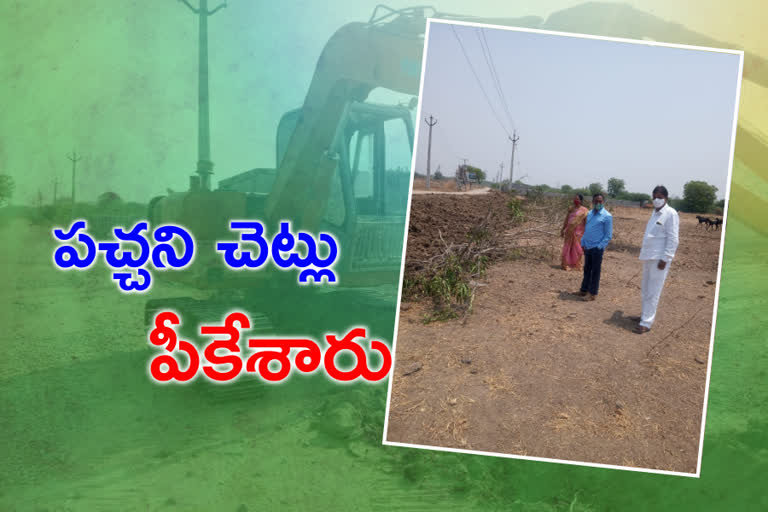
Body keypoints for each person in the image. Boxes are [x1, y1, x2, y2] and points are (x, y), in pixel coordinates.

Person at [634, 185, 679, 334]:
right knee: (646, 288)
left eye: (659, 197)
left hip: (659, 259)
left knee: (654, 290)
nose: (656, 200)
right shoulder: (654, 213)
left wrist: (665, 258)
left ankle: (646, 322)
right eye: (654, 197)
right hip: (648, 256)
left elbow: (673, 239)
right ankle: (644, 315)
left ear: (666, 198)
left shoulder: (670, 214)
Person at [578, 193, 613, 301]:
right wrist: (583, 243)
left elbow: (608, 235)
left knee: (595, 271)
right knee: (586, 269)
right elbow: (587, 229)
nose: (598, 203)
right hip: (587, 246)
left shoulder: (607, 216)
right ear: (592, 202)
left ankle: (592, 293)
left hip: (596, 248)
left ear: (603, 202)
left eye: (600, 201)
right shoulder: (590, 213)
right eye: (596, 201)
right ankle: (584, 290)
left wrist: (599, 247)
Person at [560, 194, 589, 270]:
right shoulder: (570, 209)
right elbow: (566, 220)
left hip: (578, 233)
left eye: (577, 199)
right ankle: (566, 264)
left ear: (581, 200)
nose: (576, 200)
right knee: (567, 248)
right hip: (569, 231)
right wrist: (563, 229)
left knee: (577, 249)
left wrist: (586, 234)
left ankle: (576, 265)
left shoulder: (585, 211)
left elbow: (586, 223)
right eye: (574, 199)